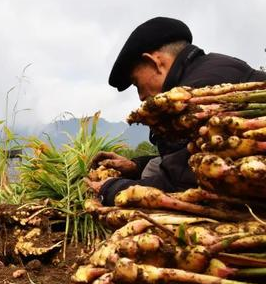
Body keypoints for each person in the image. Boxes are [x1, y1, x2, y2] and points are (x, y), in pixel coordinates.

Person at [85, 16, 266, 205]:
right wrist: (135, 166)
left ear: (155, 62)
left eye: (137, 84)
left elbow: (182, 182)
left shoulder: (199, 94)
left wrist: (110, 189)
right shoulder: (212, 67)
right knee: (153, 167)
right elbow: (183, 157)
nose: (140, 96)